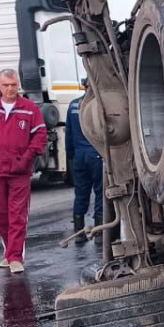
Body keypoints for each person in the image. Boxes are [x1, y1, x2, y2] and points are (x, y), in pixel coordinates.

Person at [0, 69, 47, 273]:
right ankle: (9, 251)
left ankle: (15, 257)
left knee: (17, 215)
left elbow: (40, 136)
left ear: (18, 85)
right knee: (1, 215)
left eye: (13, 84)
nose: (10, 89)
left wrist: (26, 158)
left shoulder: (29, 109)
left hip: (19, 173)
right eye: (6, 85)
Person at [65, 82, 103, 243]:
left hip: (79, 157)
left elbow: (68, 134)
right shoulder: (99, 104)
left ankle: (79, 233)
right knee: (100, 193)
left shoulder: (73, 105)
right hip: (96, 155)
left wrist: (71, 155)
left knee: (80, 194)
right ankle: (100, 234)